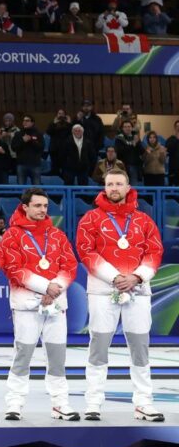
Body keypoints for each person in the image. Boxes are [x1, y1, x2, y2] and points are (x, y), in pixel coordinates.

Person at [76, 170, 165, 422]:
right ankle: (93, 402)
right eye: (110, 184)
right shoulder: (91, 219)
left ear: (128, 187)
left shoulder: (144, 220)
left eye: (119, 183)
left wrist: (136, 277)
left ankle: (143, 403)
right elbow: (86, 251)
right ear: (104, 188)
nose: (114, 187)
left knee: (140, 347)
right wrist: (115, 277)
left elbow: (154, 252)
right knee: (99, 345)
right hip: (104, 291)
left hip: (137, 290)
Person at [0, 189, 79, 420]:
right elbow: (13, 268)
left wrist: (55, 288)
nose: (43, 210)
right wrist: (46, 287)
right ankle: (14, 403)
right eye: (37, 206)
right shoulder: (12, 235)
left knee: (57, 356)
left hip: (55, 304)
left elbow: (70, 266)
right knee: (23, 354)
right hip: (27, 305)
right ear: (25, 207)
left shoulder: (57, 235)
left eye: (45, 206)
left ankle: (60, 403)